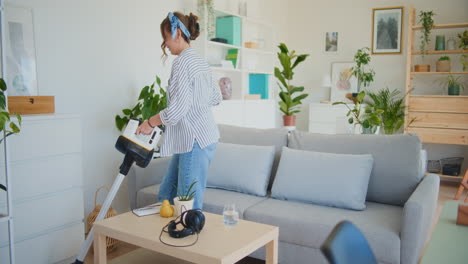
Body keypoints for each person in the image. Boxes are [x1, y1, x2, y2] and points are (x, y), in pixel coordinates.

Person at [136, 11, 221, 210]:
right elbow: (216, 96)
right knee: (166, 195)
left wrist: (150, 123)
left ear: (177, 34)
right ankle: (163, 238)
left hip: (194, 141)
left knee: (187, 204)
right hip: (200, 139)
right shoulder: (200, 61)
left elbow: (176, 111)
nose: (164, 44)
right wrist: (195, 104)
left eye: (165, 38)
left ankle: (189, 236)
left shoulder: (182, 62)